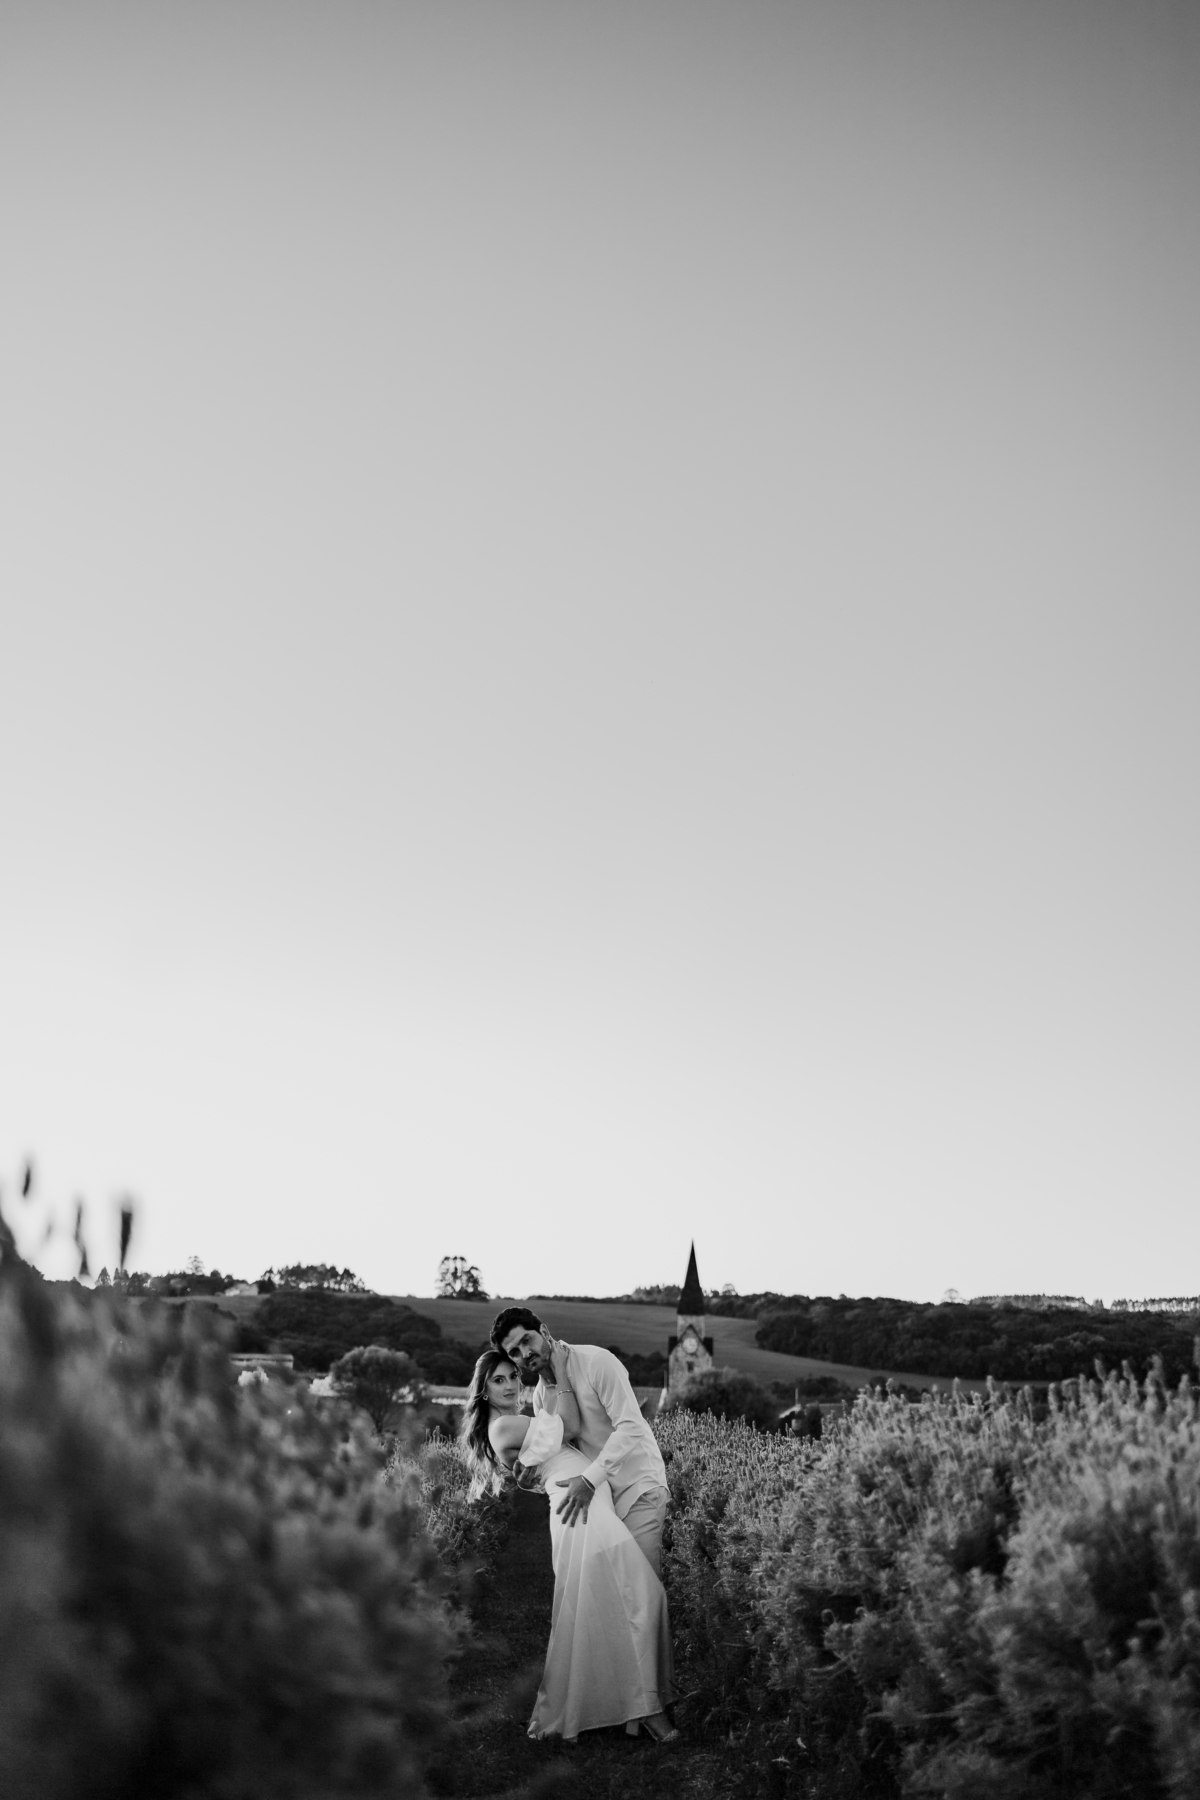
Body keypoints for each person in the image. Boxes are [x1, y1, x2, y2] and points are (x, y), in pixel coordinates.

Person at [461, 1347, 678, 1744]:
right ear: (484, 1390)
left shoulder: (515, 1422)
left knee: (612, 1604)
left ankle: (625, 1705)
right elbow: (572, 1424)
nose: (510, 1385)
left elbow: (549, 1453)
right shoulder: (503, 1427)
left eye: (513, 1376)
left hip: (585, 1503)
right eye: (499, 1380)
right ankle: (648, 1710)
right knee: (640, 1597)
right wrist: (560, 1372)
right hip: (579, 1509)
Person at [490, 1306, 672, 1578]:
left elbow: (631, 1427)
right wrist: (532, 1483)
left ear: (544, 1332)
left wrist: (589, 1480)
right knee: (614, 1590)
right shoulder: (541, 1397)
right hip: (597, 1501)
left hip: (638, 1488)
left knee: (643, 1585)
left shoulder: (597, 1362)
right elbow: (563, 1457)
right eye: (514, 1352)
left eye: (527, 1340)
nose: (525, 1353)